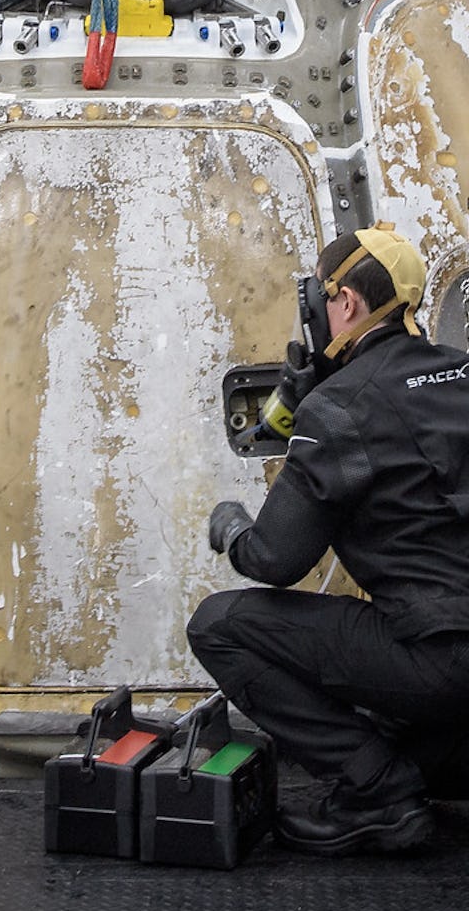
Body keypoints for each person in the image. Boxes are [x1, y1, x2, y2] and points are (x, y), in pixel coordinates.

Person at [187, 223, 469, 857]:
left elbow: (275, 559)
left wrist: (233, 527)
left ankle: (378, 795)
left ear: (345, 304)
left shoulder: (340, 409)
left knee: (220, 625)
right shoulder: (458, 371)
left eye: (320, 294)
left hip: (445, 657)